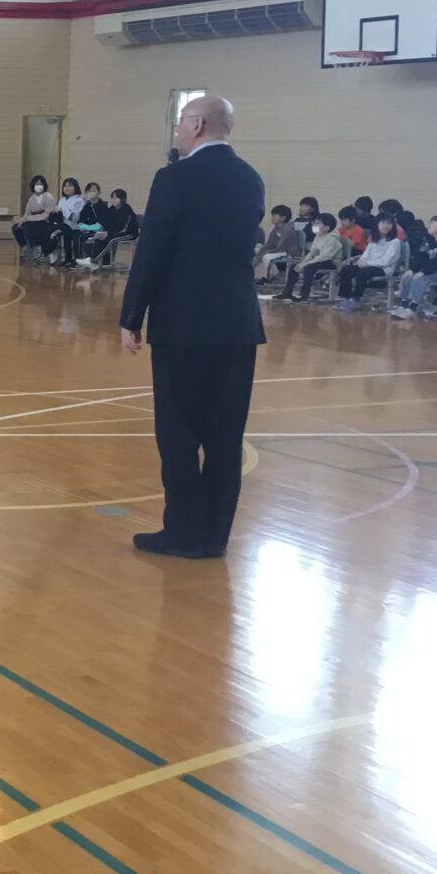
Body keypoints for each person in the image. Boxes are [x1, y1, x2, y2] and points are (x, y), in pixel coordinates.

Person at [118, 94, 265, 559]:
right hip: (238, 325)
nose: (178, 129)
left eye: (181, 120)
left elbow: (153, 250)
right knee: (225, 436)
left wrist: (131, 316)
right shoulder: (250, 179)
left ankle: (183, 531)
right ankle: (214, 536)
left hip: (183, 324)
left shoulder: (174, 178)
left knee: (179, 433)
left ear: (198, 124)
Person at [392, 216, 437, 319]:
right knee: (407, 276)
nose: (430, 227)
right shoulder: (429, 240)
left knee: (421, 278)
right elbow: (422, 256)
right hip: (434, 271)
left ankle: (413, 307)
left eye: (433, 224)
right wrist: (412, 269)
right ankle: (404, 304)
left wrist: (424, 272)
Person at [334, 213, 405, 310]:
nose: (386, 226)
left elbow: (386, 261)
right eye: (383, 223)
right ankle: (346, 297)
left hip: (384, 269)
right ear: (377, 224)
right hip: (369, 265)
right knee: (347, 269)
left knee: (363, 272)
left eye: (389, 223)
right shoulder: (374, 239)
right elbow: (366, 254)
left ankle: (356, 299)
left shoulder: (394, 242)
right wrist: (361, 261)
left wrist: (366, 263)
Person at [281, 213, 346, 302]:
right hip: (319, 260)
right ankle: (287, 292)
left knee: (309, 268)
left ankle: (304, 294)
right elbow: (312, 253)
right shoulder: (318, 236)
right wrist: (303, 262)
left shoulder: (332, 239)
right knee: (294, 266)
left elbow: (325, 256)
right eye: (314, 223)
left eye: (317, 223)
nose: (314, 225)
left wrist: (306, 264)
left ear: (327, 228)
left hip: (331, 262)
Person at [79, 189, 140, 270]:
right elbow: (107, 223)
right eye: (112, 197)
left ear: (123, 199)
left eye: (117, 197)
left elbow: (124, 229)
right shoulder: (111, 209)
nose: (114, 200)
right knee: (99, 239)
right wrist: (103, 232)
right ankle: (101, 263)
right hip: (114, 233)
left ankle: (93, 261)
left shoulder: (127, 210)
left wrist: (109, 234)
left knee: (111, 240)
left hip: (129, 234)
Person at [60, 182, 108, 267]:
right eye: (89, 191)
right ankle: (73, 259)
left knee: (78, 236)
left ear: (99, 192)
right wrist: (83, 227)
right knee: (73, 233)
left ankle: (80, 261)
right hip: (87, 230)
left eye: (93, 190)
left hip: (100, 231)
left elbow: (100, 225)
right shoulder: (87, 206)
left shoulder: (103, 207)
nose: (91, 193)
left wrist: (86, 227)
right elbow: (80, 221)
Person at [254, 204, 302, 284]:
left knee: (266, 256)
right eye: (272, 215)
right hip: (279, 251)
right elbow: (269, 244)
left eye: (275, 216)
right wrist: (261, 252)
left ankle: (270, 276)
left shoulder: (288, 229)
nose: (272, 218)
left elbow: (281, 247)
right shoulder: (275, 228)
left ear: (283, 218)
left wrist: (265, 252)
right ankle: (249, 272)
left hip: (288, 252)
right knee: (258, 252)